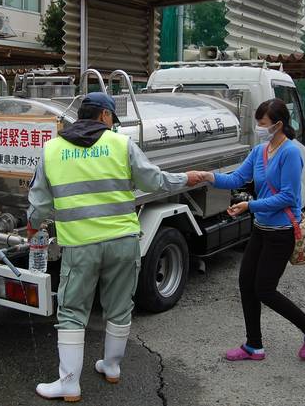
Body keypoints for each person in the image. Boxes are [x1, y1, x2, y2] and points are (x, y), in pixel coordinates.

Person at [27, 92, 201, 401]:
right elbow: (153, 181)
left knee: (72, 312)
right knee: (119, 307)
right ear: (105, 116)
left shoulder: (51, 150)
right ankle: (111, 367)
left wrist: (32, 227)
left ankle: (69, 383)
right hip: (122, 242)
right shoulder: (121, 145)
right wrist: (184, 179)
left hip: (80, 246)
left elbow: (39, 205)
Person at [191, 98, 305, 362]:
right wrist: (208, 176)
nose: (259, 128)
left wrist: (249, 205)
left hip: (282, 231)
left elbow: (289, 196)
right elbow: (237, 178)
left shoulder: (290, 153)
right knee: (246, 285)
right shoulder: (259, 151)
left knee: (264, 289)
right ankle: (254, 346)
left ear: (278, 124)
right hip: (261, 229)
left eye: (262, 124)